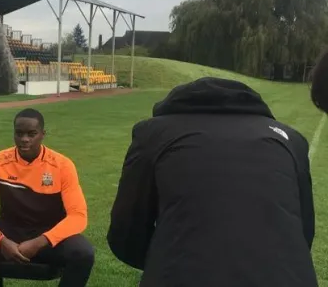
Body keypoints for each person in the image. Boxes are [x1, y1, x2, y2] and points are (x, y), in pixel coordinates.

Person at [107, 77, 317, 287]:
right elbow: (304, 231)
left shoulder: (152, 134)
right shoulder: (291, 139)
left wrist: (170, 259)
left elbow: (126, 235)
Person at [0, 108, 94, 287]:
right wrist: (0, 240)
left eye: (31, 134)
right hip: (8, 234)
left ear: (42, 134)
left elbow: (78, 216)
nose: (24, 139)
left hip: (48, 238)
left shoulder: (62, 166)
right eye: (19, 134)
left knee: (83, 253)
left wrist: (40, 242)